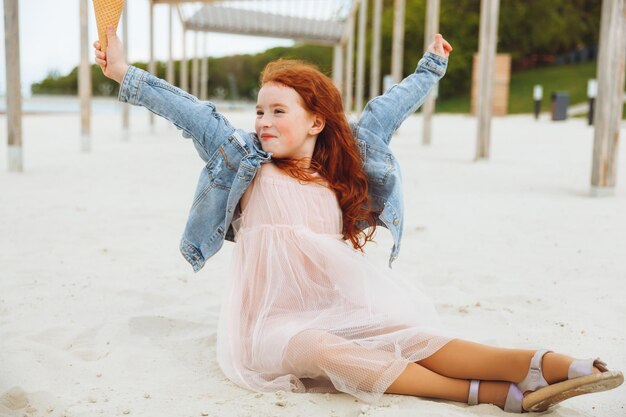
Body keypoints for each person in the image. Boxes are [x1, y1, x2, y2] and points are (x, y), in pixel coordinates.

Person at [94, 26, 623, 413]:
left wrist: (430, 69)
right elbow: (191, 112)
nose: (263, 122)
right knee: (327, 350)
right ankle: (487, 395)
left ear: (316, 121)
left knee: (415, 336)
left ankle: (555, 365)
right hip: (271, 329)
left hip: (338, 306)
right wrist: (123, 73)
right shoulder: (243, 164)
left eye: (279, 111)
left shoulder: (339, 173)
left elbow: (385, 113)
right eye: (259, 111)